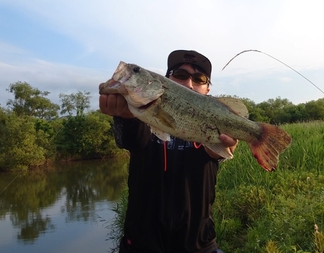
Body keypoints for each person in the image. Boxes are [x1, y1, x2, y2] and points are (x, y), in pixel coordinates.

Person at [99, 50, 237, 253]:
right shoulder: (141, 115)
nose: (189, 83)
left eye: (199, 79)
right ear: (165, 81)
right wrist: (123, 116)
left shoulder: (214, 121)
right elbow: (129, 138)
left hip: (199, 246)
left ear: (207, 89)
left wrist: (224, 148)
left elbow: (218, 153)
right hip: (141, 246)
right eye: (180, 75)